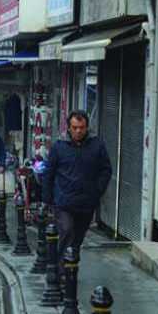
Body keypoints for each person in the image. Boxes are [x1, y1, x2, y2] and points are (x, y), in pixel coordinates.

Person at [43, 110, 113, 259]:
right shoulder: (59, 146)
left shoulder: (97, 146)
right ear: (69, 128)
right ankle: (60, 269)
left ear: (87, 127)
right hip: (64, 202)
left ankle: (71, 273)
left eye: (81, 127)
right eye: (75, 127)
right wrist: (47, 199)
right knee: (67, 231)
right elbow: (49, 173)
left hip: (86, 203)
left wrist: (97, 191)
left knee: (77, 240)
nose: (78, 131)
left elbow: (106, 170)